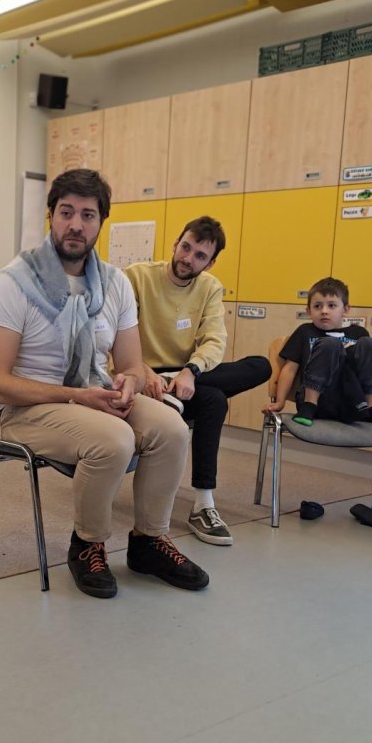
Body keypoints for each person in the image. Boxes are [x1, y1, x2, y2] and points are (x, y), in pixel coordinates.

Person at [0, 169, 208, 599]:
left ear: (101, 221)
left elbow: (133, 365)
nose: (76, 225)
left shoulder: (114, 283)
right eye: (66, 212)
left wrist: (128, 384)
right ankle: (88, 544)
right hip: (29, 408)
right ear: (50, 216)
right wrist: (77, 395)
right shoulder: (14, 281)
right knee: (114, 440)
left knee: (173, 429)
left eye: (87, 215)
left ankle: (148, 542)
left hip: (95, 394)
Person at [125, 216, 271, 546]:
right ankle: (204, 504)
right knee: (214, 400)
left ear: (211, 262)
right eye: (185, 247)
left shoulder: (209, 288)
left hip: (184, 379)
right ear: (176, 243)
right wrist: (145, 372)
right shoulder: (137, 277)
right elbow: (117, 335)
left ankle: (173, 390)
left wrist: (190, 371)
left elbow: (214, 340)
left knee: (260, 366)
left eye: (200, 255)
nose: (188, 258)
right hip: (142, 375)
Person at [263, 277, 372, 428]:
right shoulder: (305, 331)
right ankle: (310, 404)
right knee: (330, 344)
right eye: (317, 306)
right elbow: (289, 369)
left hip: (355, 401)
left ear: (346, 309)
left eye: (331, 305)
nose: (324, 311)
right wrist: (280, 401)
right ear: (308, 311)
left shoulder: (359, 333)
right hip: (320, 401)